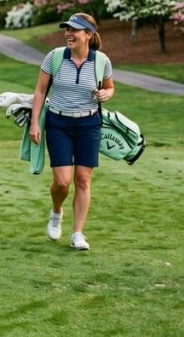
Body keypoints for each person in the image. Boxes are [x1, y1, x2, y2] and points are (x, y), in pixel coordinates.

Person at [29, 13, 115, 251]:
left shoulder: (101, 61)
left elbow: (109, 87)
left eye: (74, 30)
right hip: (59, 124)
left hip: (89, 124)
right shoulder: (54, 57)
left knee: (83, 179)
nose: (68, 34)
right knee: (63, 182)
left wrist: (107, 94)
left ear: (88, 34)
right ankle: (56, 212)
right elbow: (39, 91)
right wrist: (35, 123)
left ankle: (78, 233)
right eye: (67, 29)